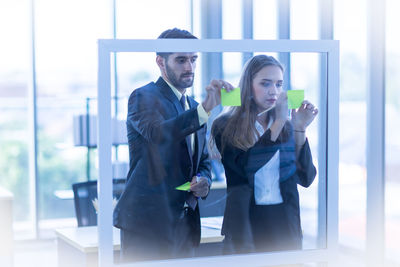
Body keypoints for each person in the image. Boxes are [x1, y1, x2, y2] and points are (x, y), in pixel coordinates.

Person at [113, 28, 233, 261]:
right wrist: (205, 110)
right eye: (181, 60)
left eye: (193, 59)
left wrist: (204, 181)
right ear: (160, 61)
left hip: (185, 224)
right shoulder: (143, 97)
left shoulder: (195, 106)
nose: (189, 67)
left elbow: (204, 161)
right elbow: (159, 134)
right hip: (147, 226)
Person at [211, 55, 318, 254]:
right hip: (246, 229)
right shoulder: (225, 124)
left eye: (279, 84)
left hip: (285, 228)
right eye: (265, 83)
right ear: (248, 86)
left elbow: (306, 177)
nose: (274, 91)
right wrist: (277, 124)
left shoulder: (286, 126)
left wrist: (300, 129)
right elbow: (246, 169)